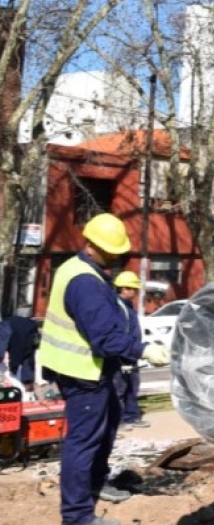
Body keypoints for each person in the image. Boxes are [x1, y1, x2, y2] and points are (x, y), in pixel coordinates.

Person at [37, 213, 171, 525]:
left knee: (108, 425)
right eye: (111, 251)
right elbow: (106, 338)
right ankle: (77, 516)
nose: (115, 256)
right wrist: (144, 350)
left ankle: (97, 483)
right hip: (83, 372)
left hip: (89, 369)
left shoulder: (79, 269)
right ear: (92, 246)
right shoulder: (86, 284)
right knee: (82, 442)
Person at [112, 271, 149, 429]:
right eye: (132, 289)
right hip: (122, 354)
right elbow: (120, 332)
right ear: (123, 289)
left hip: (131, 352)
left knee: (132, 386)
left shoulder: (127, 306)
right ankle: (119, 419)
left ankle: (131, 416)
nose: (135, 292)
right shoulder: (118, 307)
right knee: (119, 388)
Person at [0, 314, 40, 392]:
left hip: (14, 326)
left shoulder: (4, 327)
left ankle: (26, 382)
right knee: (28, 355)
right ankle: (27, 382)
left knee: (20, 354)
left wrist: (12, 369)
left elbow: (14, 352)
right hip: (31, 328)